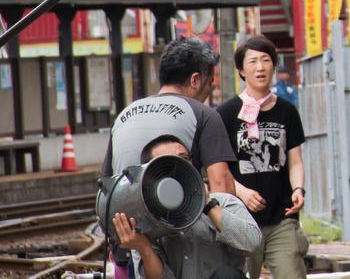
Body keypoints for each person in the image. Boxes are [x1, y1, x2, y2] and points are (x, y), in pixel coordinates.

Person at [217, 36, 309, 279]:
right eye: (253, 61)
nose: (260, 67)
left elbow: (295, 160)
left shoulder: (287, 111)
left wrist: (298, 189)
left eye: (266, 60)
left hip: (282, 217)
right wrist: (241, 193)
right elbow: (218, 168)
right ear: (241, 70)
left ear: (274, 66)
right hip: (241, 221)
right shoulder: (225, 114)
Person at [113, 135, 261, 279]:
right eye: (168, 162)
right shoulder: (145, 220)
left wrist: (208, 205)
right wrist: (144, 248)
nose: (179, 166)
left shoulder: (223, 202)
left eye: (184, 159)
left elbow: (252, 243)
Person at [102, 37, 236, 194]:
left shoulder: (123, 117)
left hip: (124, 216)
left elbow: (105, 185)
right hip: (179, 215)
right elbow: (221, 184)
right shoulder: (204, 114)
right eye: (210, 83)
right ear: (195, 80)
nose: (210, 90)